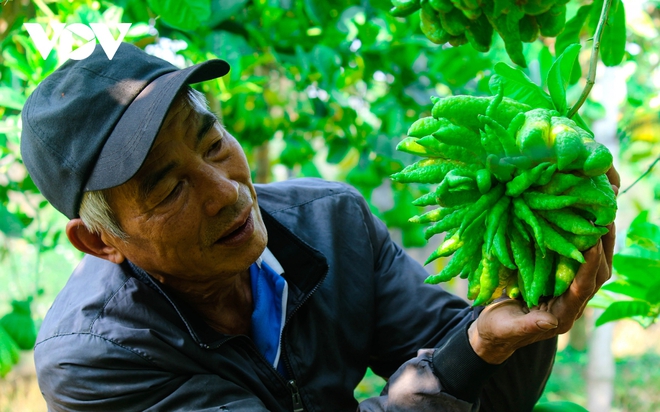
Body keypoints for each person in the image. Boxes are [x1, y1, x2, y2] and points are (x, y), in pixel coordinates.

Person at [21, 43, 617, 412]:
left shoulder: (333, 224)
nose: (225, 192)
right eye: (170, 188)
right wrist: (476, 347)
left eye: (213, 144)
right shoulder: (93, 361)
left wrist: (524, 300)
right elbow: (463, 361)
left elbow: (485, 391)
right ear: (100, 240)